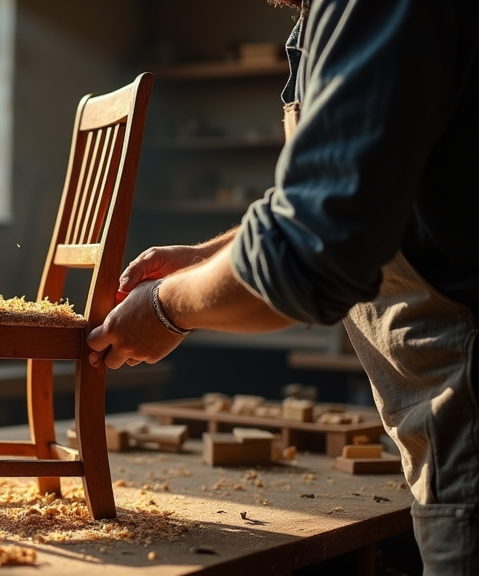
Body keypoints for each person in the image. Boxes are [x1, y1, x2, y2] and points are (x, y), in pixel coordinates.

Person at [86, 1, 479, 574]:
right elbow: (325, 200)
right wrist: (205, 257)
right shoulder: (323, 19)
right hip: (443, 427)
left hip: (467, 416)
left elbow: (307, 256)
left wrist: (165, 309)